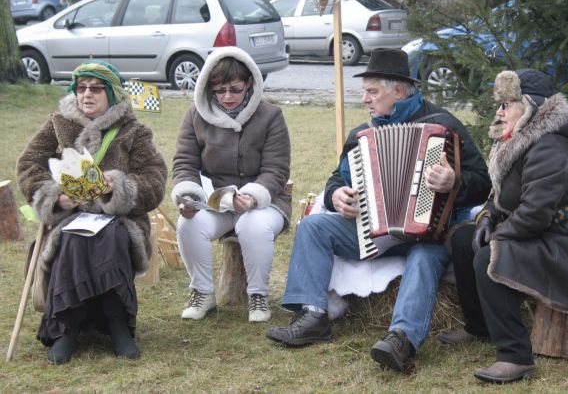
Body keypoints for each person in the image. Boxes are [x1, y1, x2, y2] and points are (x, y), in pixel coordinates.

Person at [266, 49, 491, 372]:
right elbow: (336, 177)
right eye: (365, 92)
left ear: (398, 91)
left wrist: (454, 181)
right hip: (374, 230)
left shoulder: (443, 125)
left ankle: (401, 338)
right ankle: (314, 315)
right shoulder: (363, 135)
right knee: (313, 227)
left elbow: (483, 183)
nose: (366, 100)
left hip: (433, 233)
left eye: (373, 92)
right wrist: (335, 196)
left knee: (424, 257)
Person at [440, 69, 568, 383]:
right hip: (544, 234)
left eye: (508, 103)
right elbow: (502, 196)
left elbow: (535, 214)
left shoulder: (549, 147)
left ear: (531, 108)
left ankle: (515, 357)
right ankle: (479, 325)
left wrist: (498, 236)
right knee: (463, 239)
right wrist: (486, 219)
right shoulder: (520, 142)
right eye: (500, 104)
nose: (499, 110)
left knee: (489, 255)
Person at [16, 60, 168, 364]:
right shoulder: (58, 124)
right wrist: (55, 197)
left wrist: (119, 188)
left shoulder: (134, 132)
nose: (87, 94)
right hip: (68, 217)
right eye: (81, 88)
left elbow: (154, 177)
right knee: (72, 236)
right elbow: (28, 164)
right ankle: (67, 328)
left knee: (110, 235)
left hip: (120, 218)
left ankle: (117, 323)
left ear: (111, 94)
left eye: (95, 89)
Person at [172, 47, 291, 323]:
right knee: (188, 224)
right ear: (208, 87)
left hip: (266, 200)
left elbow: (276, 170)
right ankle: (202, 292)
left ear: (249, 83)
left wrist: (252, 196)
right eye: (219, 90)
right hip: (216, 201)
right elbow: (184, 164)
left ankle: (258, 294)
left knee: (253, 225)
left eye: (235, 89)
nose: (227, 97)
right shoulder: (195, 116)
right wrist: (188, 196)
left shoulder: (270, 116)